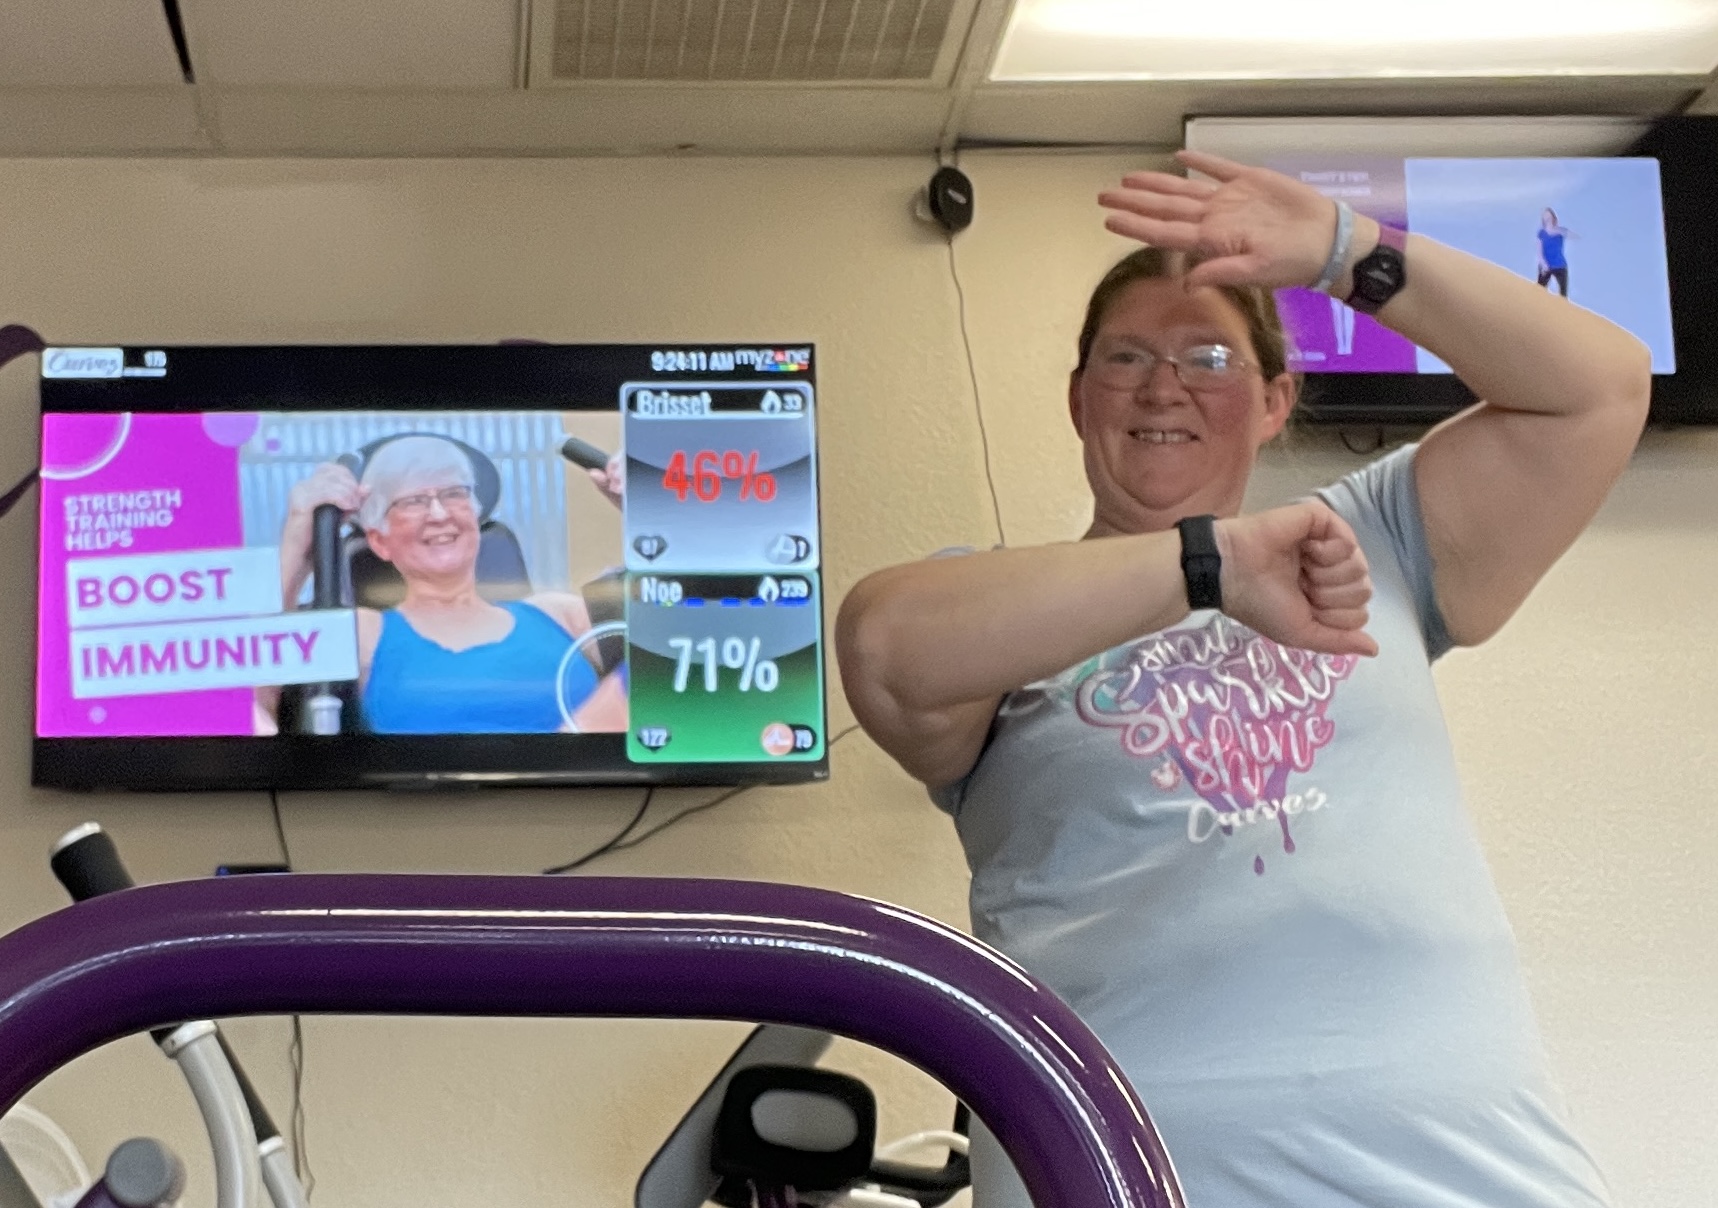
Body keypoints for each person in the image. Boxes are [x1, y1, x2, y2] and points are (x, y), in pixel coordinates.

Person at [837, 150, 1649, 1208]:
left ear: (1275, 399)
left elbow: (1598, 387)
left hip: (1462, 1174)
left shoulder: (1373, 537)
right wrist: (1203, 562)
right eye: (1126, 357)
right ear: (1079, 399)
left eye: (1209, 356)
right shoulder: (1014, 609)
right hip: (1130, 1171)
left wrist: (1343, 250)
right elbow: (881, 644)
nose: (1162, 384)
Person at [262, 434, 627, 735]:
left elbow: (664, 660)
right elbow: (244, 701)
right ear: (379, 541)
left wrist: (647, 514)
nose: (439, 514)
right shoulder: (362, 632)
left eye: (454, 493)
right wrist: (297, 543)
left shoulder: (560, 615)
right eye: (413, 501)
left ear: (475, 516)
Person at [1537, 207, 1575, 296]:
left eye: (1549, 216)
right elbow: (1539, 251)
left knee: (1563, 294)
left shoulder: (1560, 231)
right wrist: (1543, 264)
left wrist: (1560, 231)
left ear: (1553, 217)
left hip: (1560, 266)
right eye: (1545, 216)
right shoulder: (1541, 233)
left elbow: (1573, 236)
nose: (1547, 218)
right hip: (1546, 265)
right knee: (1539, 291)